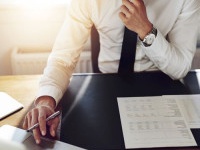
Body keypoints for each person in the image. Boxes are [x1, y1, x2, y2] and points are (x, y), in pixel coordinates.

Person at [23, 0, 200, 144]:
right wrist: (46, 100)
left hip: (160, 87)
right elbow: (63, 57)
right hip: (105, 90)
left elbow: (180, 67)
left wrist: (146, 31)